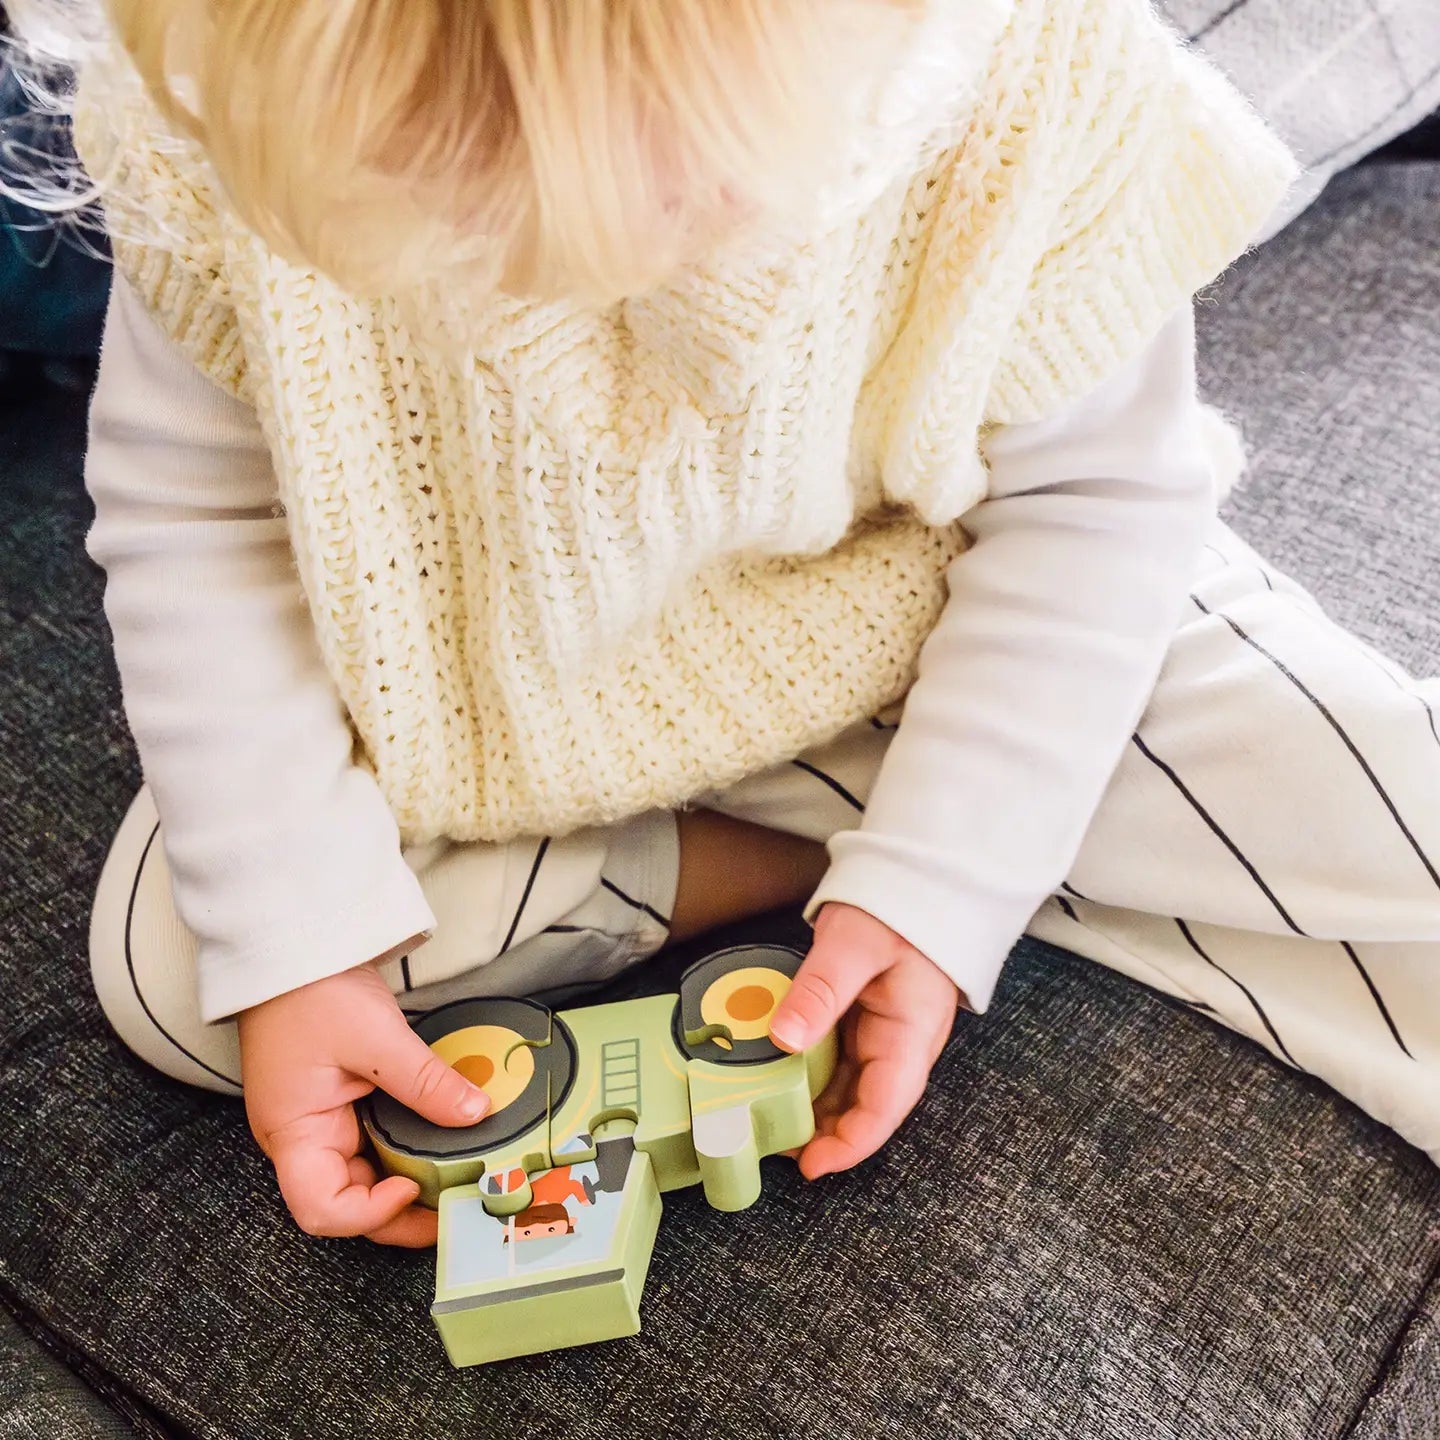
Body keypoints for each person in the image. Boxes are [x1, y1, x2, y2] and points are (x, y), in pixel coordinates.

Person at [39, 0, 1437, 1252]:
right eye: (438, 194)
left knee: (1383, 806)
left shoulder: (1039, 85)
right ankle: (819, 855)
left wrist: (940, 874)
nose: (546, 277)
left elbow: (1098, 504)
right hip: (481, 688)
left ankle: (958, 842)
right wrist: (298, 938)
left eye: (669, 209)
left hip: (931, 621)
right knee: (183, 971)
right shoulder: (216, 104)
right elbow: (194, 521)